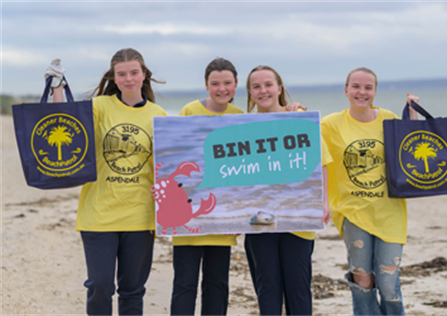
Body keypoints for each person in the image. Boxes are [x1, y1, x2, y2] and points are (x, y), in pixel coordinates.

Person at [48, 48, 168, 316]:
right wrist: (58, 86)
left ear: (144, 75)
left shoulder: (159, 114)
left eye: (134, 72)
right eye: (121, 74)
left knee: (132, 291)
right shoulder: (100, 106)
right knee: (100, 286)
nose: (128, 79)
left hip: (141, 215)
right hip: (99, 214)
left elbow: (167, 167)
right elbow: (64, 122)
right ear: (114, 78)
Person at [321, 67, 419, 316]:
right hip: (353, 212)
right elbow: (302, 137)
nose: (361, 92)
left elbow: (411, 148)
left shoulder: (387, 119)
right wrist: (293, 111)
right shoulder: (332, 124)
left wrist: (412, 116)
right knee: (362, 280)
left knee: (387, 281)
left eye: (368, 87)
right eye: (355, 86)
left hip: (390, 212)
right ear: (346, 90)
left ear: (375, 92)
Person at [243, 65, 332, 316]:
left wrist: (323, 202)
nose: (263, 91)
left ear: (279, 88)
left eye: (268, 85)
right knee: (267, 288)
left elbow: (321, 162)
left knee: (298, 288)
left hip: (298, 218)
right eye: (256, 86)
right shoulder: (242, 124)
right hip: (258, 219)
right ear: (250, 93)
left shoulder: (300, 118)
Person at [170, 58, 243, 316]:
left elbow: (243, 172)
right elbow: (175, 159)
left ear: (236, 85)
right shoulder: (190, 110)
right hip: (188, 217)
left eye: (227, 83)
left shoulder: (240, 118)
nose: (221, 88)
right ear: (206, 85)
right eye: (215, 83)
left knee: (217, 285)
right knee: (184, 284)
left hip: (222, 220)